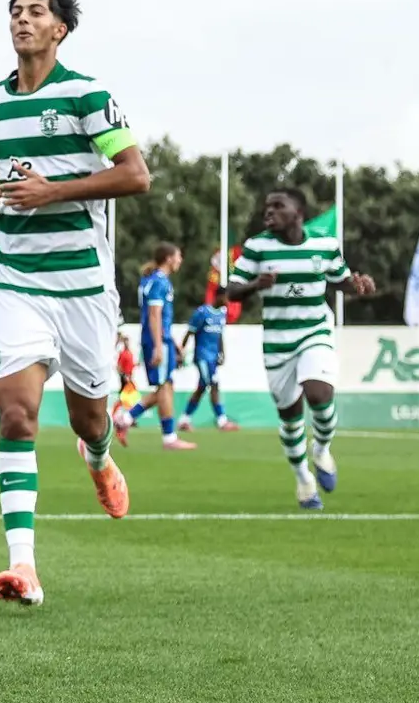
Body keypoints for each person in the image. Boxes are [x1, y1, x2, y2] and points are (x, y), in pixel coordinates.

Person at [0, 0, 149, 607]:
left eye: (35, 12)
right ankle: (22, 567)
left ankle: (99, 459)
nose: (21, 21)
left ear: (60, 28)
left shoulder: (89, 94)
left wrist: (53, 191)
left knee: (89, 419)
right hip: (13, 276)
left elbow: (135, 175)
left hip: (83, 283)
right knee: (17, 415)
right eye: (15, 13)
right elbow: (3, 167)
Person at [224, 188, 375, 509]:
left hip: (314, 331)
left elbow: (340, 280)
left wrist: (358, 286)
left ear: (298, 212)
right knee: (290, 417)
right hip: (278, 342)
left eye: (278, 206)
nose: (269, 212)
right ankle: (304, 479)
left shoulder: (324, 245)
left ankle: (321, 450)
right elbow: (232, 292)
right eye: (267, 206)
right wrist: (255, 285)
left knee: (319, 393)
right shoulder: (256, 247)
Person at [124, 244, 194, 449]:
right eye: (179, 256)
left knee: (167, 387)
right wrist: (158, 346)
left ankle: (126, 419)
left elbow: (159, 318)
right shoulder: (160, 282)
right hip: (156, 341)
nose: (180, 260)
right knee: (164, 387)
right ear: (169, 258)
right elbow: (154, 315)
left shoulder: (151, 280)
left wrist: (173, 342)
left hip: (161, 339)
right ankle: (168, 438)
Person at [179, 300, 236, 430]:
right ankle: (222, 421)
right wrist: (181, 351)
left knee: (202, 387)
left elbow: (220, 335)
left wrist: (222, 353)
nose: (227, 300)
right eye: (225, 296)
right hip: (202, 357)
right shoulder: (202, 312)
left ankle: (184, 419)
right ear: (219, 296)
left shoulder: (222, 314)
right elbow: (190, 332)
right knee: (214, 384)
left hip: (213, 359)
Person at [108, 332, 138, 443]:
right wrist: (124, 375)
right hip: (126, 378)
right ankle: (126, 418)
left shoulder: (129, 353)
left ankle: (128, 418)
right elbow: (119, 366)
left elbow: (131, 365)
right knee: (125, 399)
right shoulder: (124, 353)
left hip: (129, 377)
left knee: (127, 399)